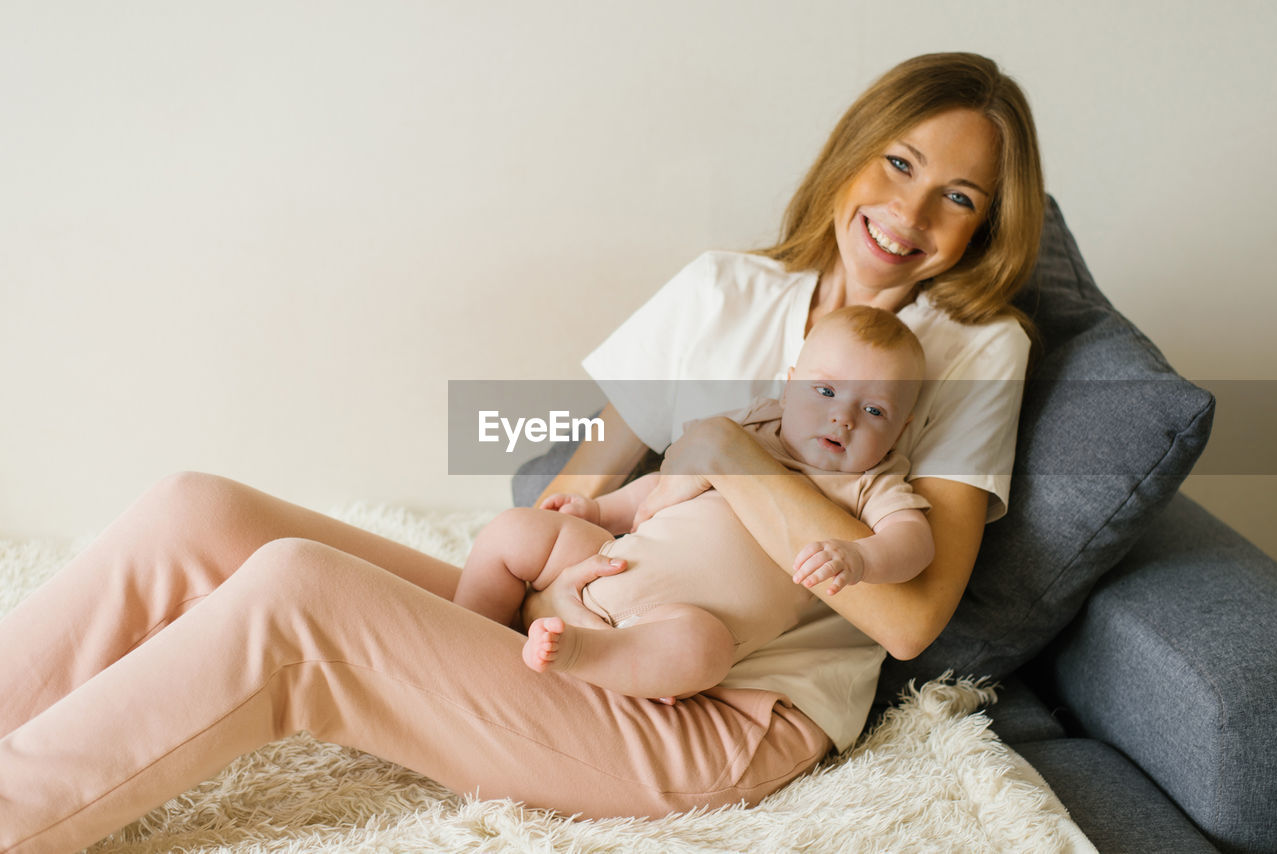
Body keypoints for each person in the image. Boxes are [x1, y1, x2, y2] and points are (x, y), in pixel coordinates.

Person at [0, 51, 1043, 853]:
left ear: (986, 224)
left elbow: (907, 618)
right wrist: (538, 560)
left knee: (296, 591)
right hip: (583, 616)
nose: (907, 212)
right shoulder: (724, 289)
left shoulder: (973, 349)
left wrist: (732, 451)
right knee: (198, 510)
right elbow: (583, 481)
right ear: (849, 155)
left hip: (707, 700)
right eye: (898, 163)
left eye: (957, 196)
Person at [454, 306, 935, 702]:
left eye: (874, 410)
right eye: (825, 390)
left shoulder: (871, 482)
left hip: (675, 625)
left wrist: (861, 556)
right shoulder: (750, 427)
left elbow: (914, 543)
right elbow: (665, 488)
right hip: (609, 563)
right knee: (515, 530)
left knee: (705, 652)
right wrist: (599, 512)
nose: (842, 417)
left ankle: (583, 653)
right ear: (789, 386)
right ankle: (464, 636)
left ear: (902, 428)